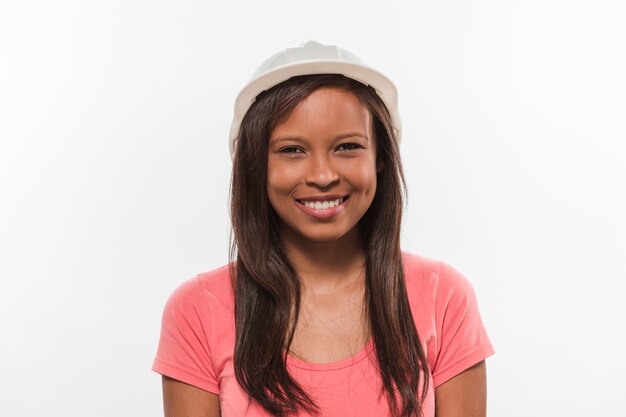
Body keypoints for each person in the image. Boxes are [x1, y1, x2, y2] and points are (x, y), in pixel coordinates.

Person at [152, 40, 495, 417]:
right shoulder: (197, 310)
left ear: (380, 158)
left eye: (347, 146)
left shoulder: (443, 297)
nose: (322, 176)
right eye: (292, 150)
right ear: (256, 166)